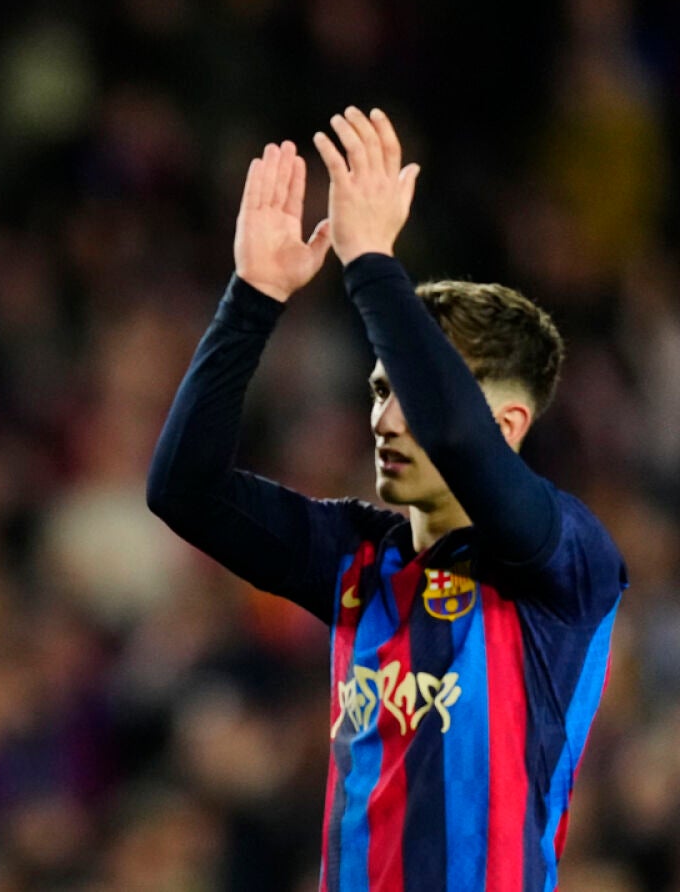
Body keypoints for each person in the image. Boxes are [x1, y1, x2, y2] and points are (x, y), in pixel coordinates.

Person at [147, 107, 627, 889]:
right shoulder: (356, 557)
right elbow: (183, 490)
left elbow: (460, 440)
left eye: (411, 393)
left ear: (509, 425)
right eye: (378, 390)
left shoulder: (565, 562)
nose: (385, 419)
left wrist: (370, 260)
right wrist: (253, 297)